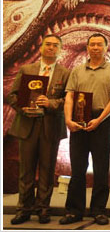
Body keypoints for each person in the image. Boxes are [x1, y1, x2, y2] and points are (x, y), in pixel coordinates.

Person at [6, 35, 70, 225]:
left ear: (60, 50)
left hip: (50, 126)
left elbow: (69, 100)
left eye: (55, 45)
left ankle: (43, 209)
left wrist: (51, 103)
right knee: (26, 171)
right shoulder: (27, 69)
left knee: (47, 171)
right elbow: (12, 95)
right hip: (27, 125)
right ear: (41, 47)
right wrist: (22, 107)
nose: (51, 48)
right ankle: (23, 209)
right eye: (48, 44)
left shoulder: (65, 73)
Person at [59, 33, 110, 226]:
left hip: (101, 121)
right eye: (92, 44)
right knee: (77, 168)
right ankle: (74, 210)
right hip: (78, 120)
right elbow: (69, 96)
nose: (95, 47)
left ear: (106, 48)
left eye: (99, 44)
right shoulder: (77, 70)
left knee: (101, 168)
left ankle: (98, 210)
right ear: (87, 48)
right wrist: (68, 120)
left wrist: (99, 120)